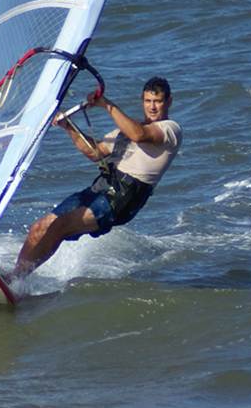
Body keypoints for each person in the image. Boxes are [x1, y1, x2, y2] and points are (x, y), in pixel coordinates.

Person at [14, 76, 181, 277]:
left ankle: (17, 280)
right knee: (40, 228)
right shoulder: (126, 130)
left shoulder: (170, 129)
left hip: (121, 199)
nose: (152, 107)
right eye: (148, 101)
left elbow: (139, 135)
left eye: (158, 101)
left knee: (60, 226)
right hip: (100, 188)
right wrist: (68, 126)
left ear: (169, 101)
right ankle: (14, 280)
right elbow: (95, 152)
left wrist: (106, 104)